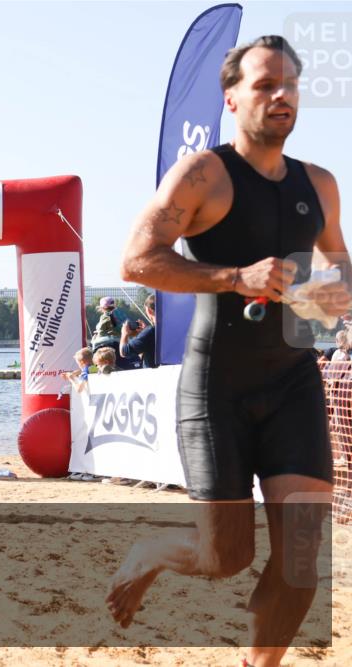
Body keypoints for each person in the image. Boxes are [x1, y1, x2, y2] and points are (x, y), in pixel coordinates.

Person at [114, 36, 350, 666]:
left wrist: (330, 296)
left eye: (290, 87)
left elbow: (339, 273)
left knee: (301, 557)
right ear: (231, 97)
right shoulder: (203, 174)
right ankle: (150, 552)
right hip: (217, 384)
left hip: (294, 381)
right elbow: (136, 261)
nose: (281, 97)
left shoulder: (320, 185)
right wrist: (232, 277)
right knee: (225, 556)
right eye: (265, 85)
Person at [119, 294, 159, 368]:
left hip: (155, 376)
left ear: (149, 311)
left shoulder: (151, 331)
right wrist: (142, 334)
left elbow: (124, 352)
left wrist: (124, 334)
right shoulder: (175, 329)